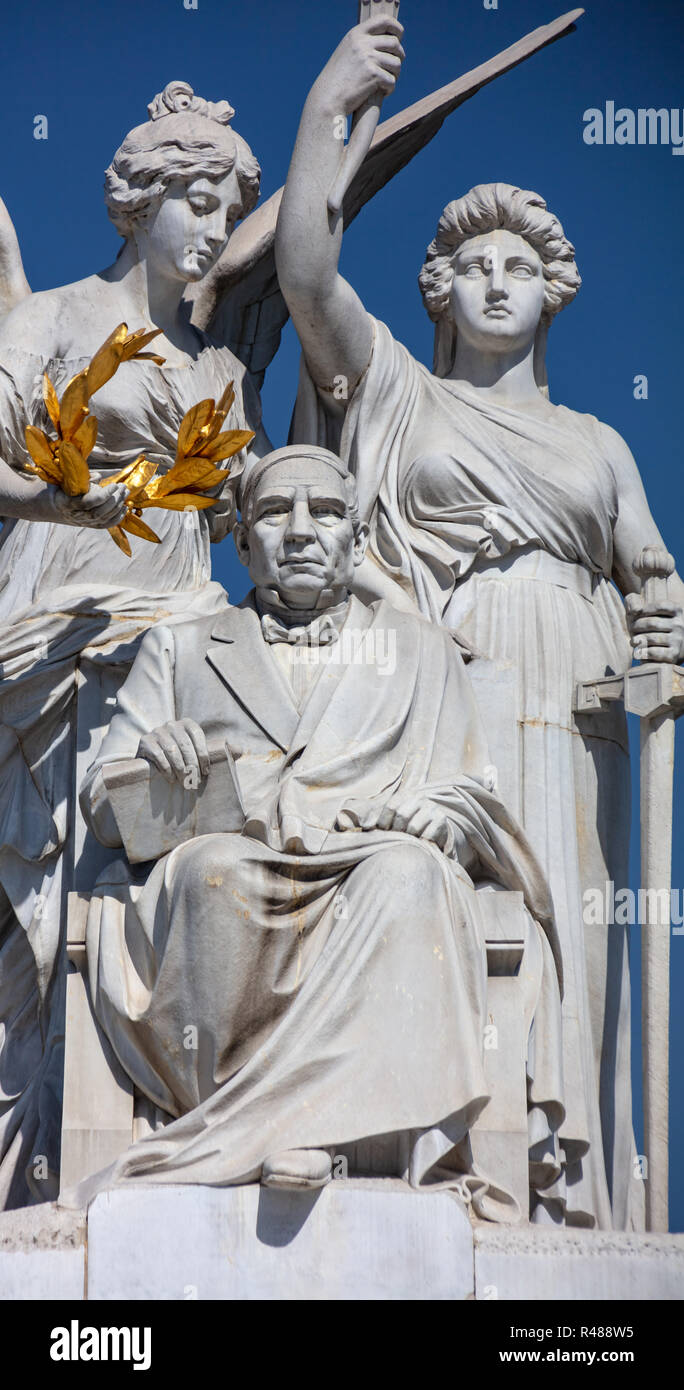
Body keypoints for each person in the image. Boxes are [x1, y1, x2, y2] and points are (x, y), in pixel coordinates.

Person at [274, 21, 684, 1228]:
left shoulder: (602, 443)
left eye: (520, 264)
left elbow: (653, 577)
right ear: (440, 291)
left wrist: (663, 616)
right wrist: (327, 110)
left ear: (551, 293)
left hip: (580, 698)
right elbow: (305, 268)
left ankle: (562, 1196)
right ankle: (446, 1161)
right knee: (453, 911)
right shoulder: (399, 388)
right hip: (447, 681)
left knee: (572, 943)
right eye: (473, 264)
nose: (497, 279)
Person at [69, 445, 563, 1217]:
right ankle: (247, 1126)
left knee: (413, 876)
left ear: (357, 542)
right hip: (234, 859)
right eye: (274, 513)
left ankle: (314, 1127)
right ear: (242, 541)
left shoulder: (421, 652)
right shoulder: (183, 646)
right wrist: (155, 762)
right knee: (212, 874)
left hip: (366, 860)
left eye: (326, 513)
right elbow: (103, 799)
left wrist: (443, 815)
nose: (300, 531)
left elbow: (472, 794)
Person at [0, 80, 271, 1207]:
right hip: (53, 632)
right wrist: (83, 507)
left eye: (227, 203)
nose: (210, 224)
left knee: (146, 898)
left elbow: (256, 509)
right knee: (30, 921)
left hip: (175, 641)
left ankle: (134, 1150)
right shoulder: (52, 319)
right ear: (137, 200)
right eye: (194, 197)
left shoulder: (219, 369)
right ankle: (31, 1169)